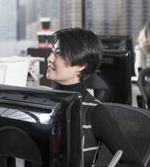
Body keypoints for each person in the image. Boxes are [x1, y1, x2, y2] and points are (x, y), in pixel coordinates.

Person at [47, 27, 144, 167]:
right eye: (52, 52)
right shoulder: (42, 103)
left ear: (80, 65)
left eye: (58, 53)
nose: (49, 58)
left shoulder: (93, 111)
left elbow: (134, 163)